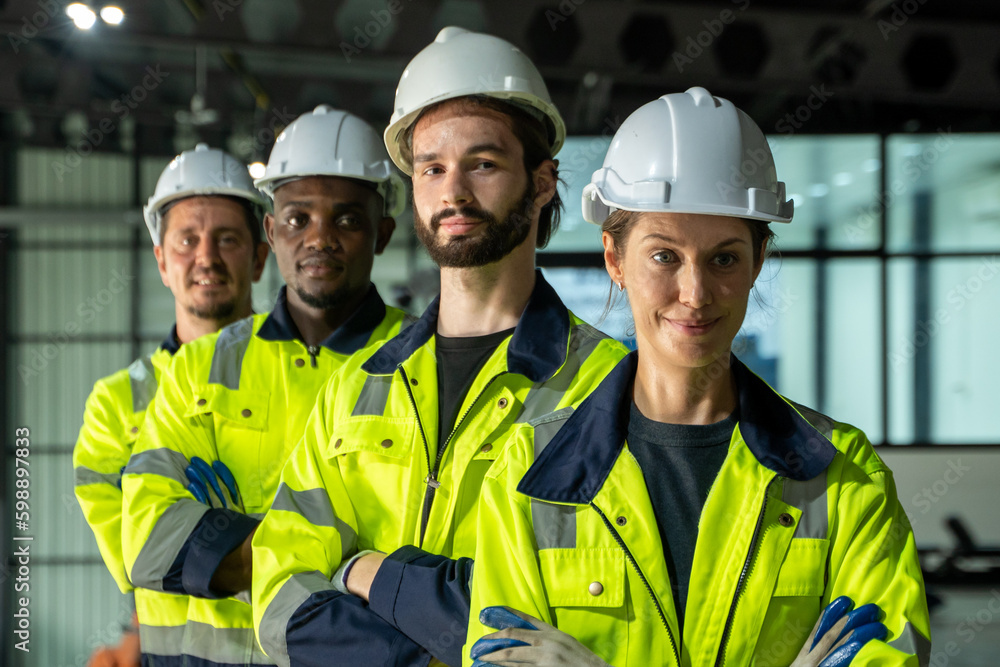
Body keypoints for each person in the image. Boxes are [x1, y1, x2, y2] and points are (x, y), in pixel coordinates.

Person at [465, 88, 931, 666]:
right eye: (664, 256)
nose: (695, 294)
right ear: (615, 259)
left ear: (758, 261)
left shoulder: (845, 479)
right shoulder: (526, 476)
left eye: (725, 258)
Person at [251, 26, 627, 667]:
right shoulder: (356, 387)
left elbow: (588, 609)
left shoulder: (612, 392)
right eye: (432, 168)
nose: (452, 193)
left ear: (541, 182)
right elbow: (278, 593)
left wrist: (368, 573)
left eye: (482, 164)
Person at [121, 106, 408, 667]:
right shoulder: (196, 369)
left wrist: (226, 534)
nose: (320, 238)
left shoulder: (424, 362)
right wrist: (342, 558)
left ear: (384, 233)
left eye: (347, 219)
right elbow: (151, 540)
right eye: (298, 219)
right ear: (272, 233)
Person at [74, 143, 270, 666]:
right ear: (162, 261)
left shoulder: (311, 376)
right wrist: (272, 530)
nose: (206, 256)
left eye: (227, 239)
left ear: (259, 257)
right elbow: (140, 557)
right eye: (187, 240)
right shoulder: (117, 403)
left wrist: (203, 528)